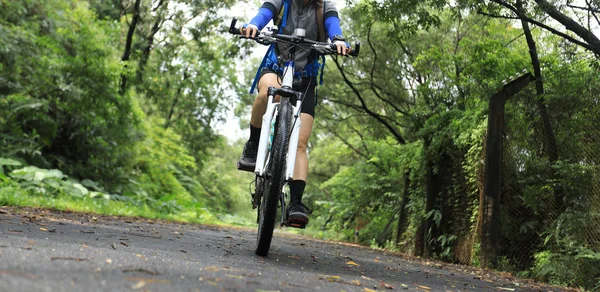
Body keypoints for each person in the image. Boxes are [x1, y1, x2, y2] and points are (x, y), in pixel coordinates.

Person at [237, 0, 349, 228]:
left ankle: (296, 203)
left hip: (305, 77)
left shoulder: (324, 6)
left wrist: (337, 40)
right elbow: (264, 13)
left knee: (300, 143)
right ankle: (254, 143)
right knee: (267, 94)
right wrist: (253, 26)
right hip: (277, 66)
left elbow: (332, 24)